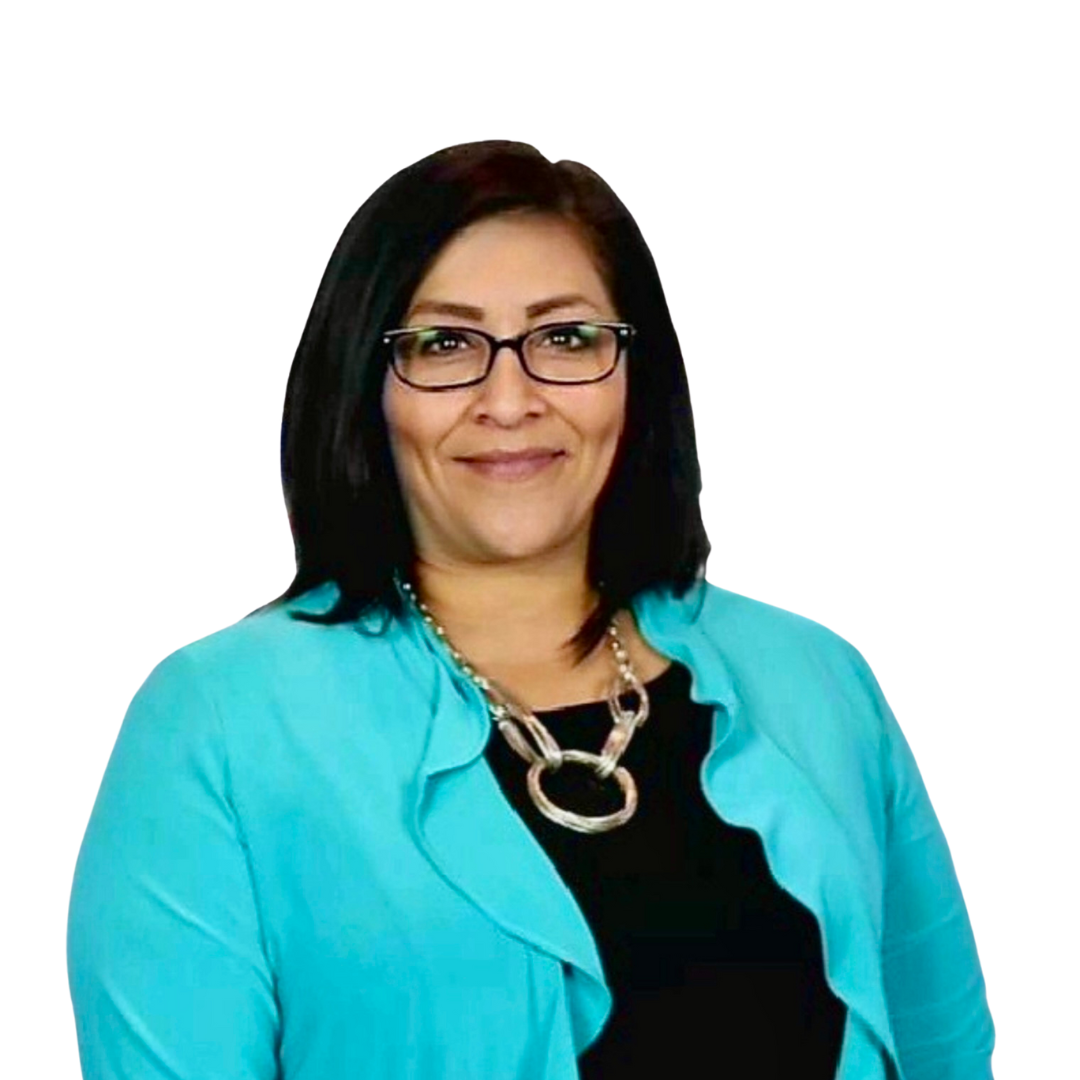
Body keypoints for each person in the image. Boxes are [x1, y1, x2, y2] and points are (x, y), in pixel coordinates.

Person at [66, 140, 995, 1080]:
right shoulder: (219, 724)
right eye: (443, 345)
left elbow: (944, 1053)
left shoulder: (814, 680)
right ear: (364, 385)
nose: (510, 400)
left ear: (636, 374)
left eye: (566, 339)